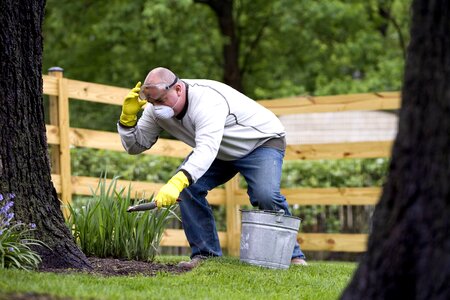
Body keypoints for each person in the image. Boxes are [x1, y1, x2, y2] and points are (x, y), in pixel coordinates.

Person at [117, 67, 307, 268]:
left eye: (162, 101)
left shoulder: (207, 100)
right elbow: (136, 146)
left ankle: (293, 255)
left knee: (265, 194)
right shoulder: (156, 111)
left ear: (179, 89)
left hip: (260, 142)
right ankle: (206, 256)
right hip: (221, 151)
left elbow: (206, 148)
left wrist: (177, 181)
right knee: (189, 189)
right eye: (153, 103)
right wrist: (127, 121)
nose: (157, 108)